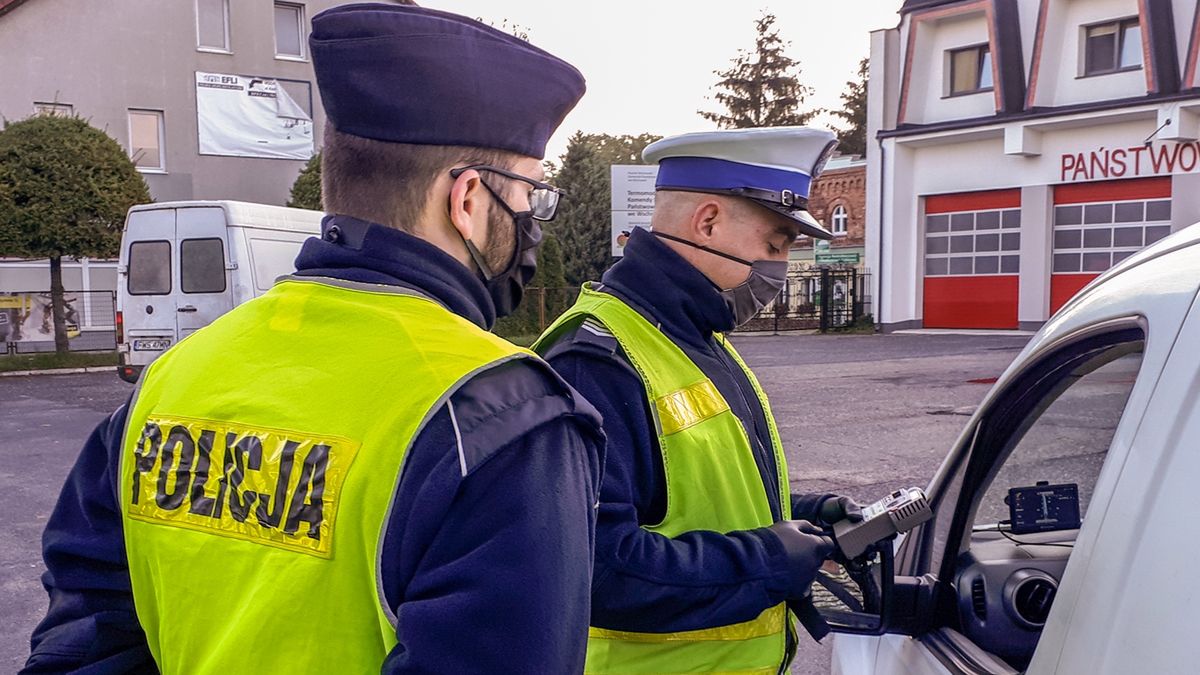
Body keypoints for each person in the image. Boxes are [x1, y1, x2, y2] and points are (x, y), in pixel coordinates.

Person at [24, 4, 604, 673]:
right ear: (468, 199)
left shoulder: (175, 376)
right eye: (532, 193)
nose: (534, 218)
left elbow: (85, 640)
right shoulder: (504, 417)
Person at [536, 127, 863, 674]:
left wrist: (801, 514)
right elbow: (594, 567)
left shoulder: (697, 338)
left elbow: (689, 497)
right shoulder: (597, 361)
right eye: (773, 245)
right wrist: (766, 561)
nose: (778, 270)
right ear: (707, 222)